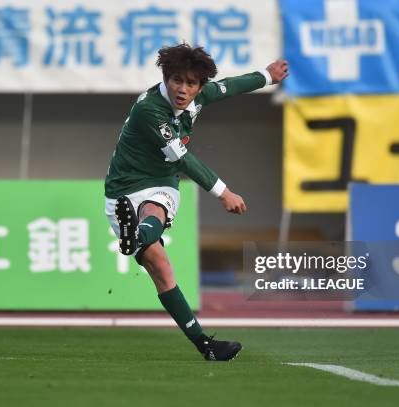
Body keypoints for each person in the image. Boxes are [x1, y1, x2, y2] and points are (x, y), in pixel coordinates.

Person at [105, 43, 288, 361]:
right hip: (122, 190)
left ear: (199, 86)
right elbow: (183, 158)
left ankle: (206, 345)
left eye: (191, 84)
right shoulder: (150, 110)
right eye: (177, 80)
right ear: (166, 77)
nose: (183, 89)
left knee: (157, 230)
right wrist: (224, 192)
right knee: (159, 263)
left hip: (160, 183)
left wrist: (267, 76)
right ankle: (137, 233)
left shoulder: (199, 95)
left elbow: (230, 86)